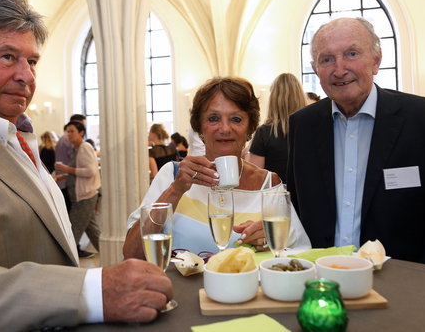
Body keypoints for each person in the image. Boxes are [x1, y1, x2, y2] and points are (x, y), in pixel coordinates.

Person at [0, 0, 172, 331]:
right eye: (8, 56)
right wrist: (92, 292)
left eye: (32, 61)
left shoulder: (10, 133)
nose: (27, 76)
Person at [287, 17, 425, 264]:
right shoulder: (302, 125)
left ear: (376, 60)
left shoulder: (422, 119)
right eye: (327, 59)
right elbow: (296, 209)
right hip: (321, 280)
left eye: (351, 54)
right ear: (315, 68)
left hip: (402, 281)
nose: (340, 69)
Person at [123, 77, 310, 259]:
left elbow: (300, 252)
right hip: (180, 290)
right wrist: (175, 190)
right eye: (213, 118)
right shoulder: (172, 175)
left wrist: (270, 242)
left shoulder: (268, 184)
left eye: (236, 119)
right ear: (199, 128)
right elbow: (132, 252)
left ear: (250, 128)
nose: (225, 128)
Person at [248, 73, 307, 182]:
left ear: (273, 99)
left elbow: (254, 177)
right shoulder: (312, 129)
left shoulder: (264, 133)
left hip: (275, 196)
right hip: (307, 195)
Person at [55, 121, 101, 259]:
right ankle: (111, 254)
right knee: (92, 229)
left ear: (81, 132)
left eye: (71, 131)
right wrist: (64, 175)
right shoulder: (76, 148)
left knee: (73, 230)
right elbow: (79, 171)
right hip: (80, 195)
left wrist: (66, 169)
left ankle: (66, 260)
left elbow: (90, 171)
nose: (68, 134)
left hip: (85, 195)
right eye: (67, 132)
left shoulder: (85, 147)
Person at [55, 113, 86, 211]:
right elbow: (76, 162)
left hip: (64, 180)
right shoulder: (69, 139)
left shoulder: (65, 138)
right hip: (67, 183)